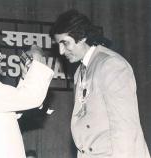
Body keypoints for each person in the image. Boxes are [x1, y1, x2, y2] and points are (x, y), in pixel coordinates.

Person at [49, 9, 150, 158]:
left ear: (82, 37)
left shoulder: (110, 64)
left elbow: (125, 127)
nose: (61, 51)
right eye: (58, 44)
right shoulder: (80, 72)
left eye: (65, 43)